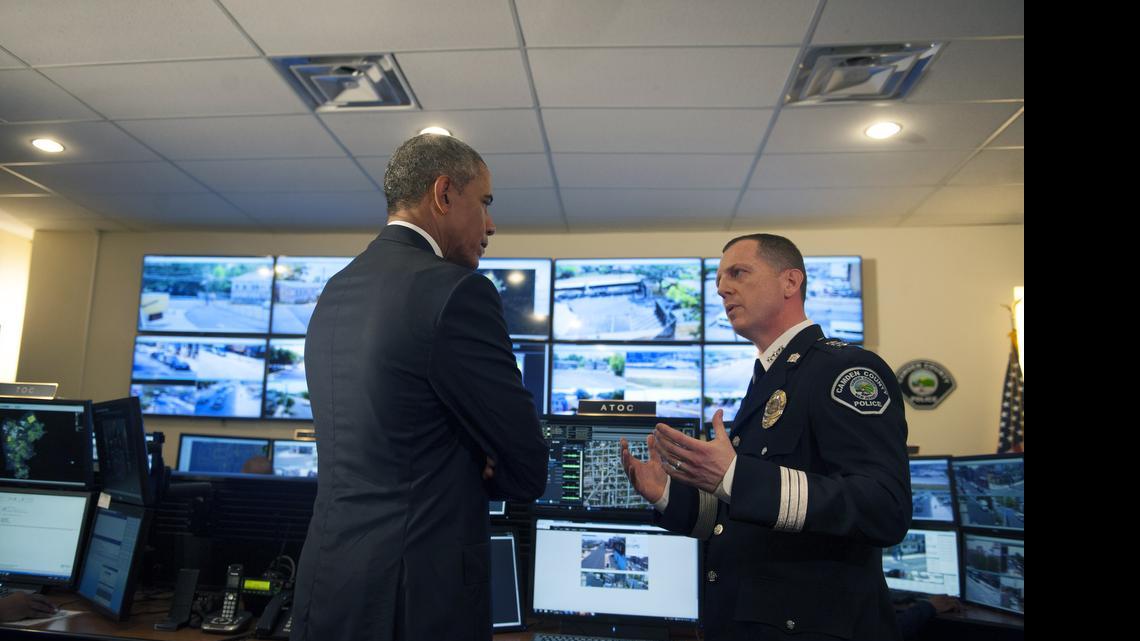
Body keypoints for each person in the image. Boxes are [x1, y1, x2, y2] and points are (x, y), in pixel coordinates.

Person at [290, 134, 549, 641]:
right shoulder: (456, 291)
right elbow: (527, 465)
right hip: (414, 600)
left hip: (328, 584)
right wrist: (481, 461)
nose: (491, 224)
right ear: (444, 193)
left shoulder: (335, 290)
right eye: (486, 203)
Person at [622, 233, 911, 641]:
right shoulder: (769, 379)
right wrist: (666, 494)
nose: (722, 287)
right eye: (720, 279)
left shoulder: (845, 370)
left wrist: (736, 478)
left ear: (790, 282)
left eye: (738, 272)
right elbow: (743, 521)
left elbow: (885, 508)